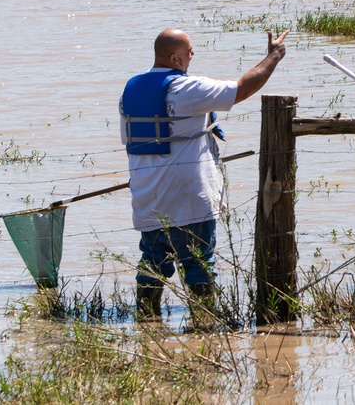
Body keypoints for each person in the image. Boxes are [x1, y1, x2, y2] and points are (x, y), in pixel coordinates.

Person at [120, 28, 288, 321]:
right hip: (189, 199)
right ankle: (205, 324)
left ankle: (146, 321)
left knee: (153, 262)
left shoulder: (130, 89)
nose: (192, 55)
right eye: (189, 51)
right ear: (175, 57)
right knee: (198, 263)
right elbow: (242, 89)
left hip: (148, 196)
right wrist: (273, 57)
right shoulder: (186, 89)